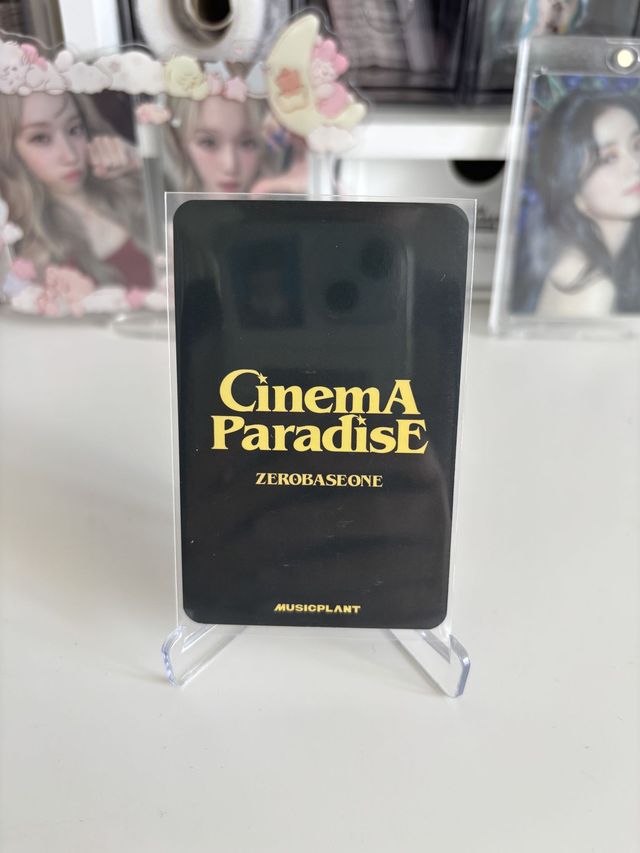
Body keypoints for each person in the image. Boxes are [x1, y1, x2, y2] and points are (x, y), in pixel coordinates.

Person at [0, 90, 153, 289]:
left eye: (74, 129)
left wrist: (141, 160)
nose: (70, 156)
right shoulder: (31, 257)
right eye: (41, 138)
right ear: (10, 152)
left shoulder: (135, 190)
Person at [515, 89, 640, 315]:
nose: (635, 165)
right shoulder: (590, 287)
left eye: (637, 145)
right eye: (609, 158)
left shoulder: (593, 265)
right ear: (573, 190)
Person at [163, 91, 307, 195]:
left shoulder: (285, 219)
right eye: (208, 143)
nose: (230, 166)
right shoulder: (167, 225)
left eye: (248, 143)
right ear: (181, 140)